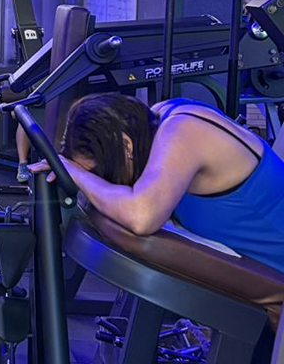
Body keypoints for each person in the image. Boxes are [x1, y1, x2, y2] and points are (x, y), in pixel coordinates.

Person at [39, 93, 284, 273]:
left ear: (126, 145)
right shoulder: (154, 125)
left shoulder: (183, 130)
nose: (100, 181)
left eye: (98, 172)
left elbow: (141, 217)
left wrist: (79, 175)